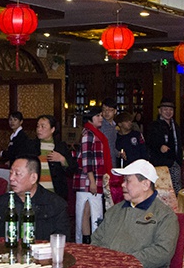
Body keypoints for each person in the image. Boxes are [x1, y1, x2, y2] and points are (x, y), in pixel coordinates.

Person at [92, 159, 179, 268]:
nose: (122, 184)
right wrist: (103, 262)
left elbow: (162, 252)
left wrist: (124, 262)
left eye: (128, 181)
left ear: (145, 184)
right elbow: (96, 239)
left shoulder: (164, 216)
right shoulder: (115, 211)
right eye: (123, 180)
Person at [0, 155, 70, 241]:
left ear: (33, 178)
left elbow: (62, 241)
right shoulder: (0, 203)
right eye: (11, 173)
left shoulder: (56, 205)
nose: (11, 178)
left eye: (17, 174)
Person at [72, 107, 111, 243]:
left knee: (87, 212)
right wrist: (92, 180)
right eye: (98, 116)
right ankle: (88, 242)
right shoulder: (88, 134)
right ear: (90, 118)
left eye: (101, 115)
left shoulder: (94, 133)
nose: (101, 118)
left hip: (93, 179)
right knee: (90, 213)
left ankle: (88, 242)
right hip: (88, 180)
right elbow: (86, 159)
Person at [30, 114, 74, 198]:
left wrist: (62, 159)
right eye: (38, 126)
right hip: (35, 193)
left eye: (43, 126)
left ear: (52, 129)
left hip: (55, 194)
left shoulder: (60, 146)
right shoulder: (31, 146)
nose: (39, 129)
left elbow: (72, 169)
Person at [146, 100, 182, 192]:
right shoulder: (154, 125)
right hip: (160, 163)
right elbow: (150, 142)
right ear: (160, 111)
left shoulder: (175, 126)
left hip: (174, 161)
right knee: (162, 189)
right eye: (165, 109)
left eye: (171, 110)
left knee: (175, 188)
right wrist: (159, 147)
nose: (168, 112)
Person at [100, 98, 118, 164]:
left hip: (112, 159)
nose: (106, 112)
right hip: (102, 160)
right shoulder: (100, 125)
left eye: (110, 110)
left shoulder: (114, 126)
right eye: (104, 110)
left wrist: (118, 153)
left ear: (115, 111)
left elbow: (112, 145)